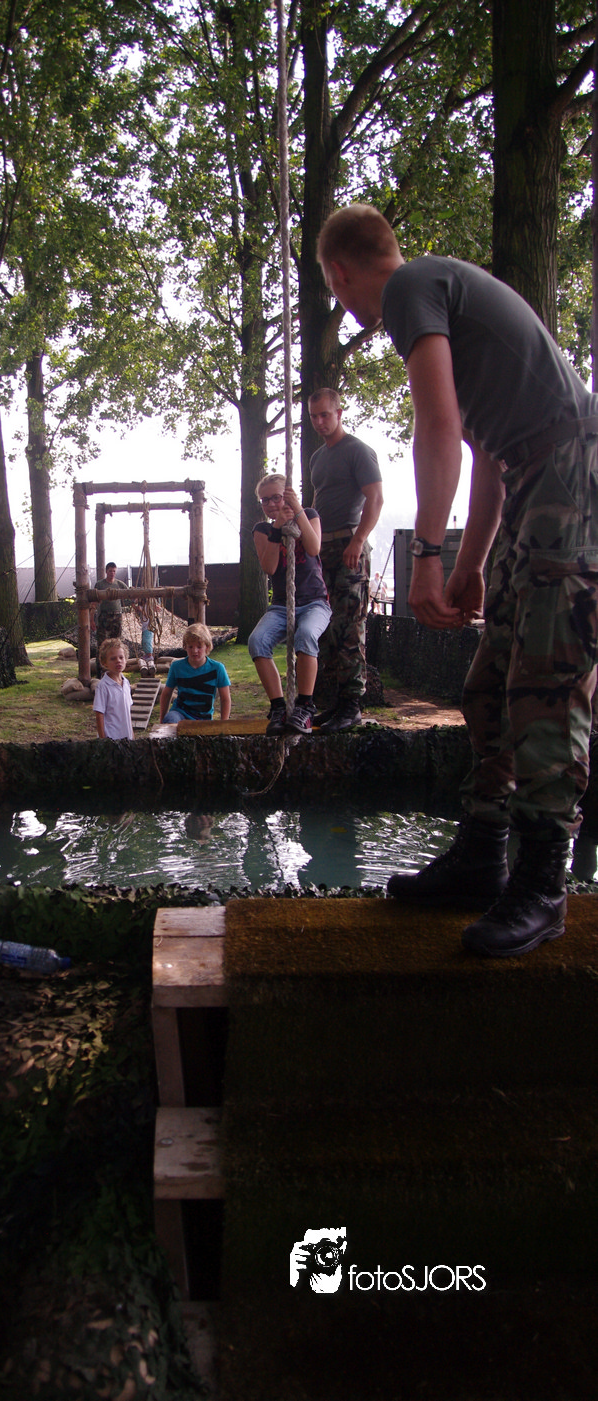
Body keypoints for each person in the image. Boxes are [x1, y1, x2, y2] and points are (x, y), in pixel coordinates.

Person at [317, 201, 598, 958]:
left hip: (573, 475)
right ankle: (482, 856)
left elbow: (436, 428)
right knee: (489, 685)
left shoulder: (412, 287)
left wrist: (427, 557)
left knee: (547, 684)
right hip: (534, 477)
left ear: (338, 274)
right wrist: (472, 565)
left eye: (335, 290)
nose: (343, 304)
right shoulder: (442, 296)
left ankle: (543, 885)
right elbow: (485, 457)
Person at [308, 388, 384, 731]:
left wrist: (358, 541)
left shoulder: (358, 451)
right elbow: (317, 501)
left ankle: (353, 704)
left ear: (339, 413)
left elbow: (376, 499)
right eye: (314, 416)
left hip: (349, 545)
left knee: (350, 625)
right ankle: (338, 703)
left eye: (325, 415)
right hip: (322, 548)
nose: (319, 422)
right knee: (327, 626)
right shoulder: (317, 458)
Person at [248, 472, 332, 735]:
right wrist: (277, 529)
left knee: (305, 635)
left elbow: (314, 547)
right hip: (282, 606)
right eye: (265, 500)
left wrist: (297, 512)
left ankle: (305, 706)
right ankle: (278, 707)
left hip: (315, 603)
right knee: (257, 641)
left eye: (276, 497)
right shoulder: (262, 530)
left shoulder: (310, 515)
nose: (271, 504)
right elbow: (270, 567)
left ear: (288, 495)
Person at [159, 623, 231, 725]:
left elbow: (225, 699)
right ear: (185, 647)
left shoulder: (218, 668)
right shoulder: (177, 667)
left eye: (199, 647)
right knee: (171, 720)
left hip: (203, 717)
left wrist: (224, 724)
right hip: (180, 712)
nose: (194, 651)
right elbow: (166, 694)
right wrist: (162, 719)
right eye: (190, 647)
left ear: (207, 647)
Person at [93, 639, 134, 740]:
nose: (118, 661)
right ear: (104, 663)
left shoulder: (126, 683)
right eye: (113, 659)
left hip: (127, 738)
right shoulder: (103, 686)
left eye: (121, 657)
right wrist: (103, 740)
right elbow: (99, 714)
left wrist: (132, 735)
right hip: (111, 739)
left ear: (126, 659)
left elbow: (127, 713)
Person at [93, 562, 127, 664]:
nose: (112, 573)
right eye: (110, 571)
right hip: (104, 616)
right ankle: (101, 667)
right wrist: (91, 619)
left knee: (116, 643)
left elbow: (130, 595)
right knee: (102, 643)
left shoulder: (120, 584)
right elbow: (93, 603)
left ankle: (116, 665)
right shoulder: (100, 584)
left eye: (114, 571)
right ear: (106, 571)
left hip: (117, 615)